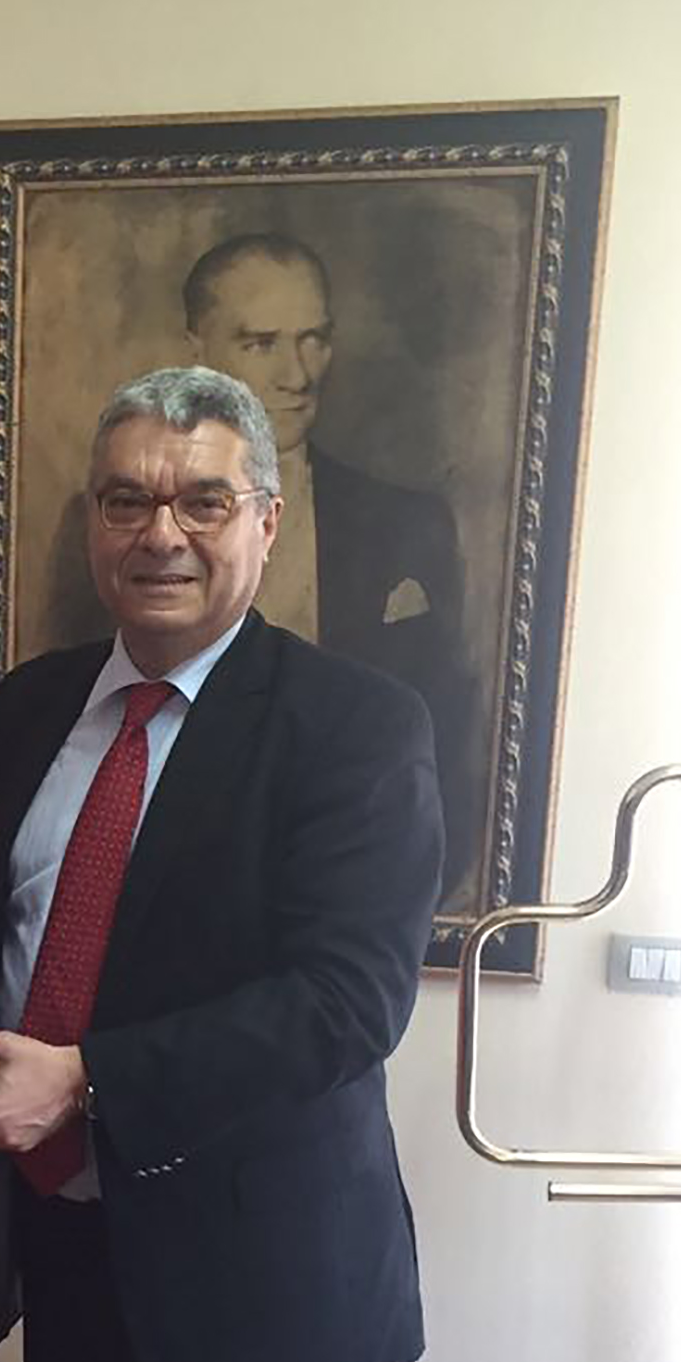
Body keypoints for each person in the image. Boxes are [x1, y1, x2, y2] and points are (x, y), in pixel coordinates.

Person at [0, 367, 442, 1362]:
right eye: (126, 500)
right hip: (67, 1244)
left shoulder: (353, 727)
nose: (159, 533)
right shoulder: (34, 704)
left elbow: (346, 1003)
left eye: (201, 502)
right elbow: (8, 931)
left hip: (257, 1285)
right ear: (94, 523)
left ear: (265, 521)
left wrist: (83, 1081)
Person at [182, 232, 478, 892]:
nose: (298, 374)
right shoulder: (131, 531)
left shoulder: (408, 525)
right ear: (197, 352)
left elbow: (444, 745)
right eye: (262, 342)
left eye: (313, 339)